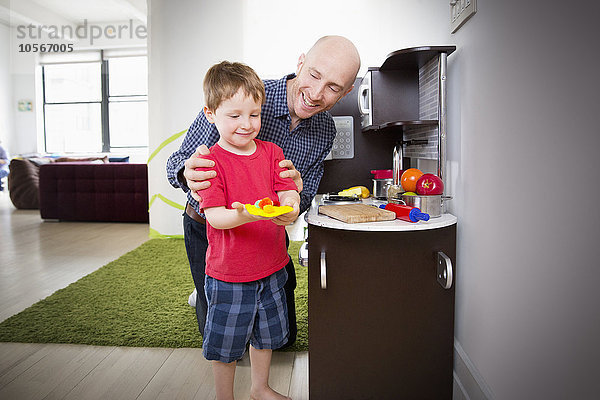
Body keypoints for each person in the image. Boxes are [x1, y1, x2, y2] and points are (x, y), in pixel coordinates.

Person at [166, 35, 361, 348]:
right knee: (230, 341)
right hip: (209, 230)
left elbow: (306, 190)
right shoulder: (245, 97)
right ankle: (202, 288)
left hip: (265, 231)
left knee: (280, 340)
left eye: (333, 87)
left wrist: (295, 198)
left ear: (347, 92)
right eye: (313, 75)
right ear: (300, 63)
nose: (316, 93)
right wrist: (188, 174)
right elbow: (175, 163)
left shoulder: (325, 130)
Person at [197, 61, 300, 400]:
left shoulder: (272, 152)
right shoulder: (211, 162)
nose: (246, 124)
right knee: (226, 345)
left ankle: (259, 388)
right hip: (229, 274)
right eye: (235, 115)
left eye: (254, 114)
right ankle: (223, 396)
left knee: (267, 335)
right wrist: (243, 216)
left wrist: (290, 203)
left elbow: (287, 188)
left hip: (271, 267)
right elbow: (216, 217)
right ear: (211, 114)